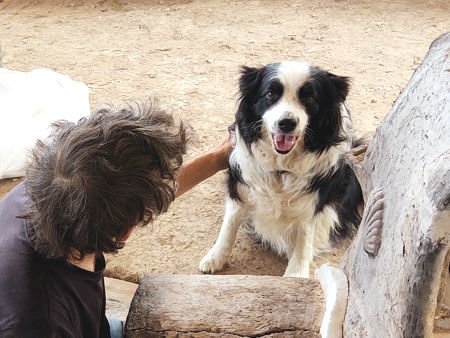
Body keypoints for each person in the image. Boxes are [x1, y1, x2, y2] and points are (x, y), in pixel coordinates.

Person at [0, 100, 231, 338]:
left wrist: (216, 159)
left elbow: (144, 197)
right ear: (126, 232)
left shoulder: (55, 185)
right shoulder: (38, 324)